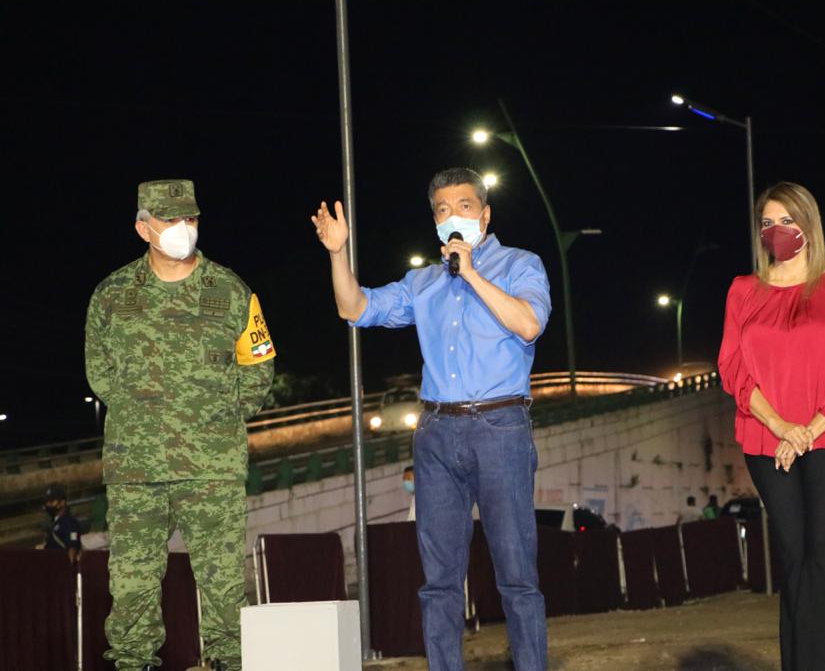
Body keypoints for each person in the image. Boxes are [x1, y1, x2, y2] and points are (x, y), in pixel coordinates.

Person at [312, 167, 551, 671]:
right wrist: (338, 252)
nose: (451, 217)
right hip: (437, 434)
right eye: (441, 210)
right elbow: (355, 308)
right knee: (439, 580)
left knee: (516, 574)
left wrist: (473, 273)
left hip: (500, 427)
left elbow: (528, 325)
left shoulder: (520, 264)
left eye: (463, 206)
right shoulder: (423, 282)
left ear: (484, 214)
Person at [85, 179, 276, 671]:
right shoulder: (112, 295)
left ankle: (231, 662)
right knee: (130, 585)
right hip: (136, 467)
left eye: (189, 218)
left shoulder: (230, 290)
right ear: (143, 227)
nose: (182, 229)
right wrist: (145, 418)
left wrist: (220, 419)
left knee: (223, 583)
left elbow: (259, 367)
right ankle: (133, 663)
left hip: (212, 467)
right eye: (170, 220)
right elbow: (99, 372)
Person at [718, 181, 825, 671]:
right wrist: (783, 426)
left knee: (824, 557)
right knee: (793, 557)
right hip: (767, 439)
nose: (776, 231)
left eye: (787, 221)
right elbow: (733, 368)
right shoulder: (744, 291)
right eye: (767, 222)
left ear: (808, 225)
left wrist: (808, 430)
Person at [43, 484, 82, 563]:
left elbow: (72, 547)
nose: (48, 505)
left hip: (61, 568)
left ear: (62, 502)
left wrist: (70, 566)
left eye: (51, 502)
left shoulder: (69, 522)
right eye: (47, 502)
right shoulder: (53, 522)